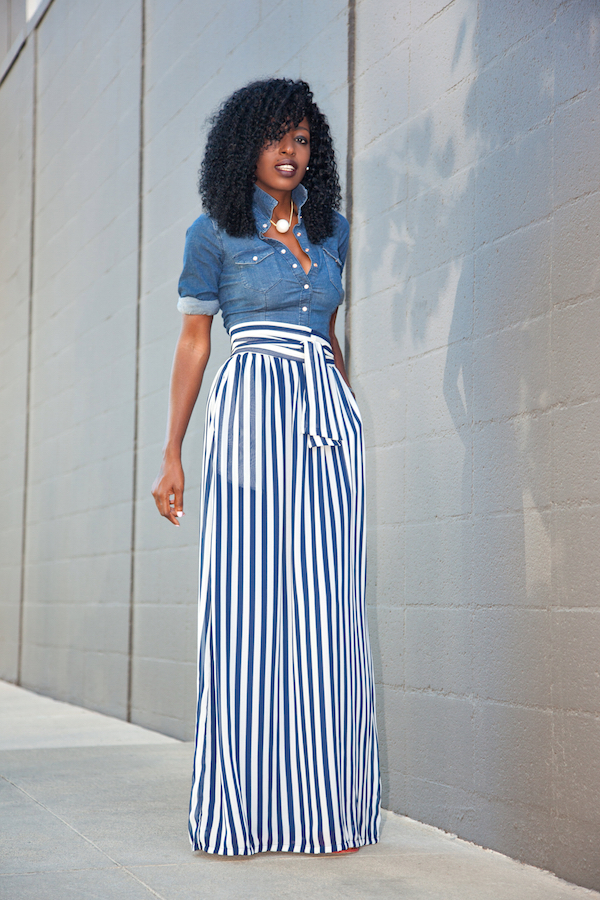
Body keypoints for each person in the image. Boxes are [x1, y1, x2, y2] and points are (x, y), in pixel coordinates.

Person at [152, 78, 380, 856]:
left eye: (304, 139)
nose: (291, 152)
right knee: (248, 611)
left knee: (329, 611)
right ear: (243, 147)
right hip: (251, 414)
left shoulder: (334, 230)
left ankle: (329, 810)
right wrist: (173, 452)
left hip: (325, 419)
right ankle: (242, 813)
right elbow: (194, 345)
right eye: (276, 137)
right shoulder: (212, 233)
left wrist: (344, 415)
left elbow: (331, 334)